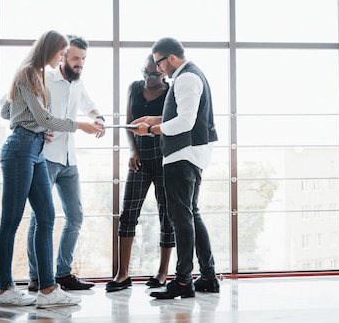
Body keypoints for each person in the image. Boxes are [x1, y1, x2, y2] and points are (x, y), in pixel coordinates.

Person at [0, 30, 103, 307]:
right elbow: (40, 115)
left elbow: (11, 111)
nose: (62, 58)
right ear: (51, 50)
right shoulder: (29, 72)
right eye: (61, 53)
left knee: (47, 216)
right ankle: (4, 289)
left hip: (37, 149)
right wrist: (77, 125)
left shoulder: (38, 75)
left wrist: (40, 127)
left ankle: (47, 290)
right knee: (10, 220)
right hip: (20, 149)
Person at [130, 37, 220, 299]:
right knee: (191, 214)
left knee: (181, 218)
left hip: (182, 155)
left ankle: (182, 281)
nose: (158, 69)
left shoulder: (186, 78)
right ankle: (207, 276)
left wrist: (151, 130)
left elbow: (185, 122)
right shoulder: (189, 75)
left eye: (159, 63)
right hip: (190, 154)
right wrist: (153, 119)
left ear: (170, 57)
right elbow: (180, 115)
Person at [26, 35, 105, 293]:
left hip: (70, 161)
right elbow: (9, 102)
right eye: (75, 58)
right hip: (46, 158)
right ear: (63, 56)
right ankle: (37, 277)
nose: (79, 63)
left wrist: (99, 118)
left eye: (83, 59)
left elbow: (89, 106)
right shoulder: (44, 77)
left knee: (76, 216)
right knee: (40, 219)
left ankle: (63, 273)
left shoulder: (77, 83)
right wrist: (35, 127)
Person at [106, 55, 175, 293]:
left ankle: (163, 272)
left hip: (164, 156)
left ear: (163, 73)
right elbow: (128, 123)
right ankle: (123, 274)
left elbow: (174, 123)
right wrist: (133, 150)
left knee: (167, 214)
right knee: (128, 213)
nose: (148, 78)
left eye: (154, 74)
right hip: (140, 157)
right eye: (144, 72)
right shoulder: (134, 87)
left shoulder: (171, 92)